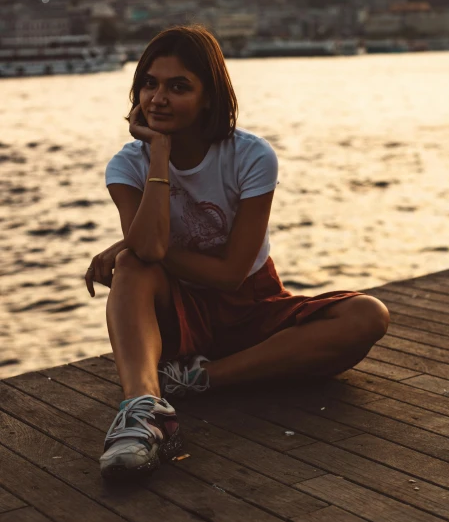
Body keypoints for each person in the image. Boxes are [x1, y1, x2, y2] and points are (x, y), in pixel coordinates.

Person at [85, 25, 390, 480]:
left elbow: (230, 273)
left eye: (178, 87)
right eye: (150, 84)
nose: (158, 99)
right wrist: (159, 155)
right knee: (134, 266)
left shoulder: (249, 156)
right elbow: (148, 250)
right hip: (177, 311)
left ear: (209, 96)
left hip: (251, 303)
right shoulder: (128, 164)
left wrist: (133, 243)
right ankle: (144, 409)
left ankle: (196, 380)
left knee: (369, 315)